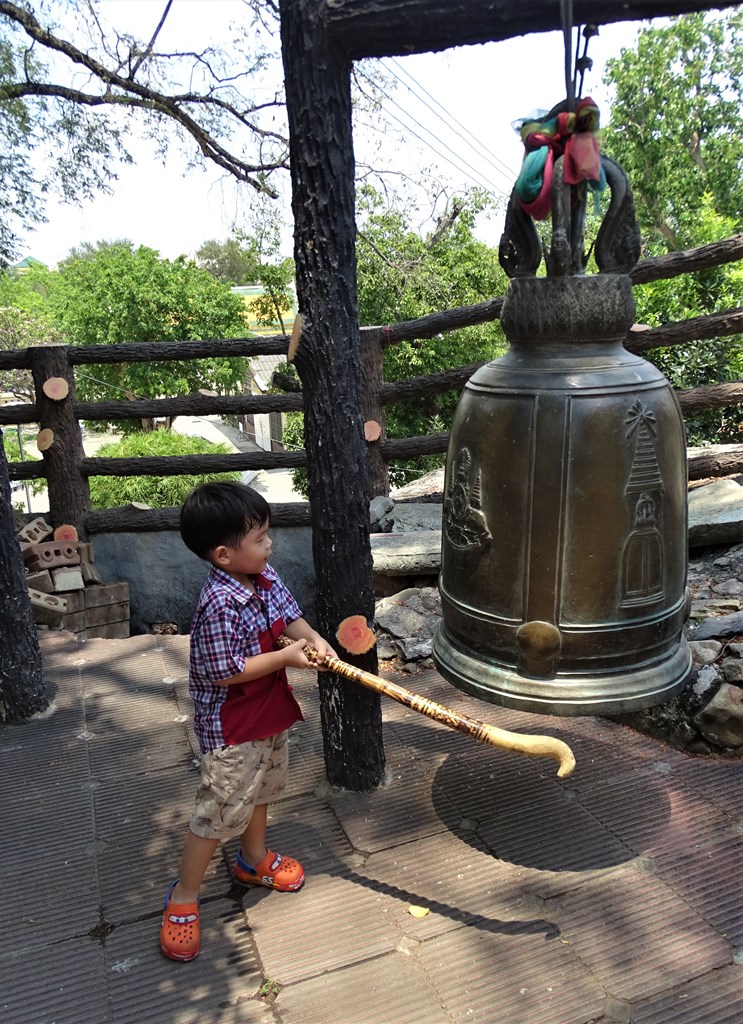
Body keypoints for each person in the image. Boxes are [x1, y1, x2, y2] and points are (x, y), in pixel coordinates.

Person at [160, 481, 336, 962]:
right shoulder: (219, 605)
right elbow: (224, 672)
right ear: (223, 555)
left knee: (262, 789)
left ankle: (253, 859)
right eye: (259, 538)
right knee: (218, 809)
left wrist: (314, 640)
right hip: (232, 725)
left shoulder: (264, 576)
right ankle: (183, 897)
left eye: (266, 534)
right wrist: (289, 661)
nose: (269, 544)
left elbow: (290, 618)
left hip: (268, 712)